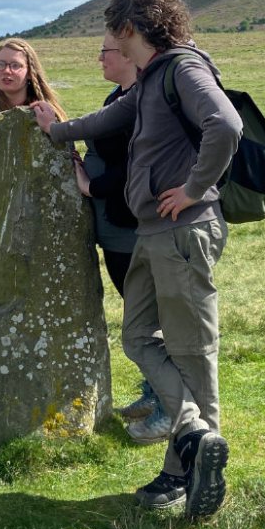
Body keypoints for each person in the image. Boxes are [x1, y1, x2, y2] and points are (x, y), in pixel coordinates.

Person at [33, 0, 242, 519]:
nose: (109, 38)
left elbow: (225, 124)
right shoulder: (150, 78)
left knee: (193, 355)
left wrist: (194, 189)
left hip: (182, 230)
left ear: (130, 26)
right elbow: (108, 119)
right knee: (138, 337)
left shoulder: (182, 68)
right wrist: (54, 130)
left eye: (111, 28)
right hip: (154, 233)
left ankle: (188, 479)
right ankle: (192, 433)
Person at [74, 34, 169, 443]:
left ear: (127, 56)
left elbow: (134, 164)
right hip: (114, 227)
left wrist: (90, 187)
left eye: (106, 52)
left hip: (128, 224)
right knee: (139, 314)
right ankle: (156, 391)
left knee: (146, 318)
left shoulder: (139, 103)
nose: (100, 58)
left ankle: (171, 406)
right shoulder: (119, 95)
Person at [0, 37, 66, 134]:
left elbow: (67, 149)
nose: (6, 71)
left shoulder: (44, 112)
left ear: (30, 73)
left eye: (15, 65)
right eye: (1, 64)